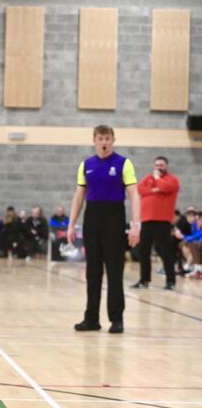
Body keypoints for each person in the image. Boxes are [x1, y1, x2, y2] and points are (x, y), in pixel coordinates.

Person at [68, 125, 140, 334]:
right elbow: (79, 196)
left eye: (107, 138)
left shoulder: (123, 163)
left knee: (114, 271)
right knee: (93, 272)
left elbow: (134, 195)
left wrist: (136, 225)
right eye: (100, 138)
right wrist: (71, 224)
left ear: (113, 140)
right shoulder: (86, 165)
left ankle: (117, 319)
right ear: (94, 140)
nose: (104, 142)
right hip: (92, 219)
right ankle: (91, 319)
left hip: (114, 219)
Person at [132, 156, 180, 290]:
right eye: (157, 165)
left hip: (162, 221)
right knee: (143, 251)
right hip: (147, 220)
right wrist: (155, 190)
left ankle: (171, 281)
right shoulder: (148, 178)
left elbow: (165, 187)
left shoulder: (172, 180)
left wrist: (158, 181)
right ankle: (144, 280)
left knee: (165, 252)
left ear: (166, 166)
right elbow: (140, 189)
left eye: (161, 165)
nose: (159, 167)